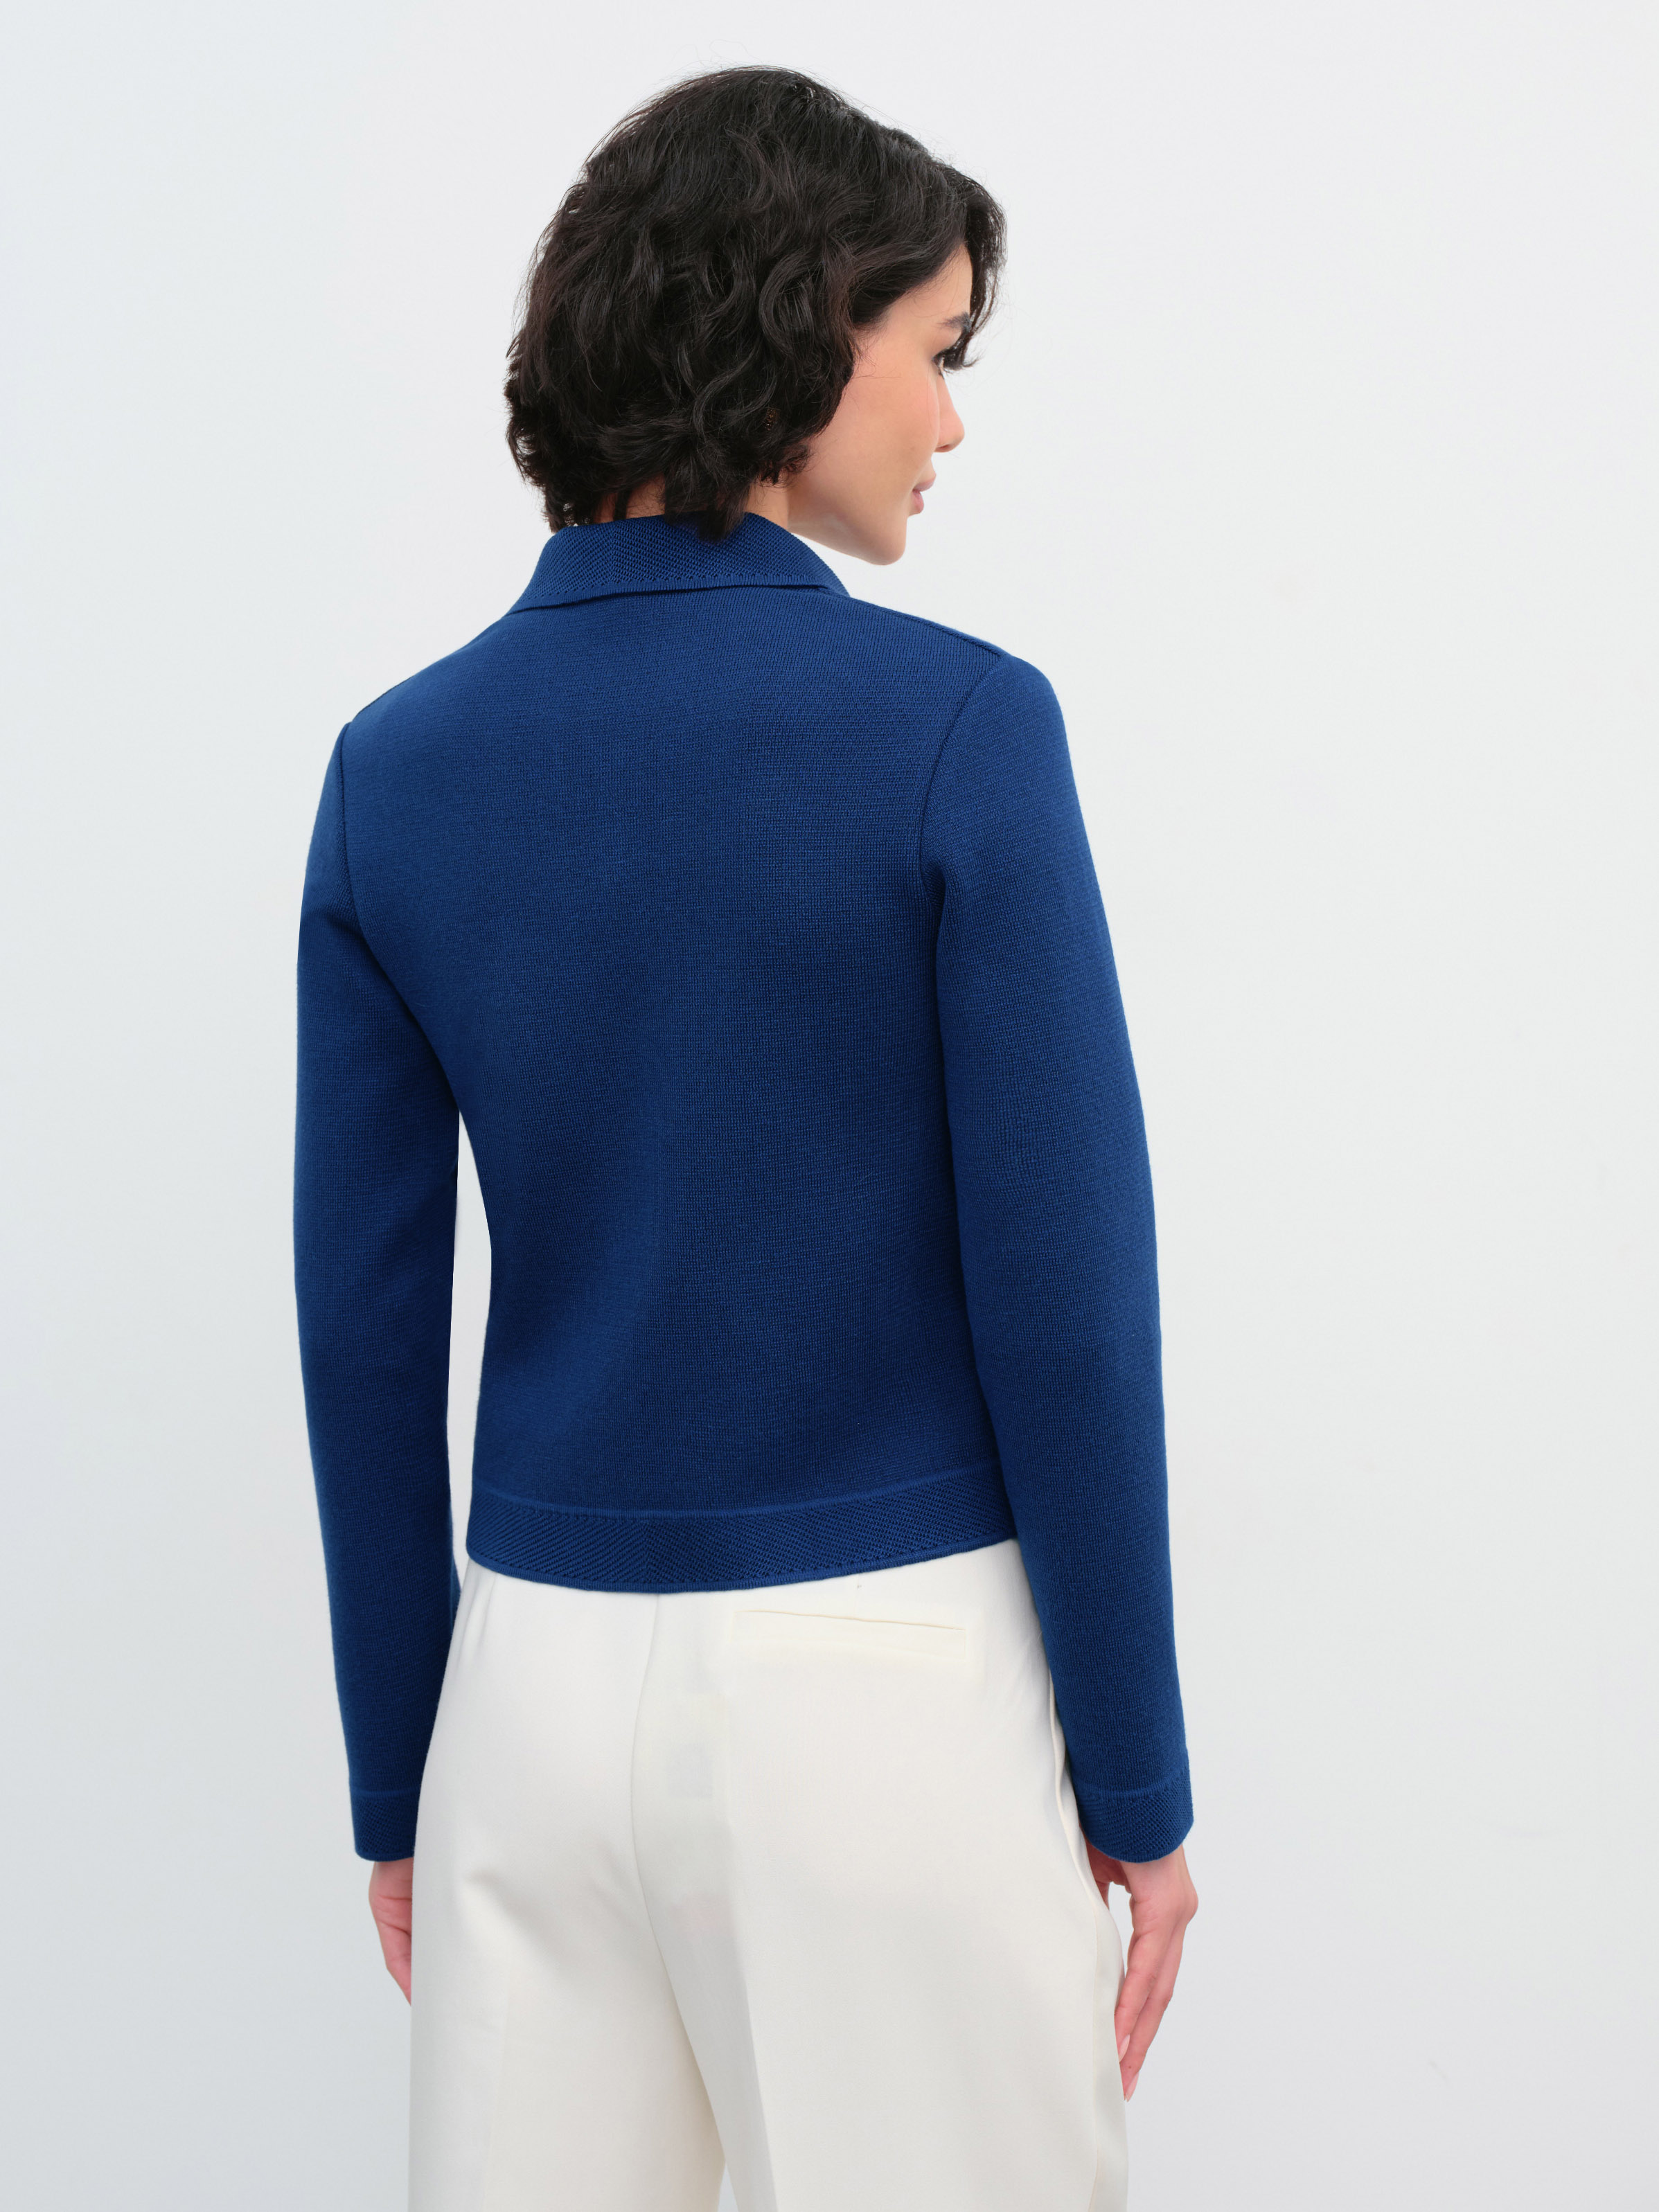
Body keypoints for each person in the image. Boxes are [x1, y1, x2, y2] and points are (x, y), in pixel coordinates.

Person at [294, 64, 1196, 2212]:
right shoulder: (957, 726)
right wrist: (1137, 1782)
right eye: (935, 351)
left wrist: (401, 1777)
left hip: (524, 1700)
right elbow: (1064, 1300)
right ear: (803, 328)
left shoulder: (393, 768)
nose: (949, 422)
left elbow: (362, 1331)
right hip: (880, 1703)